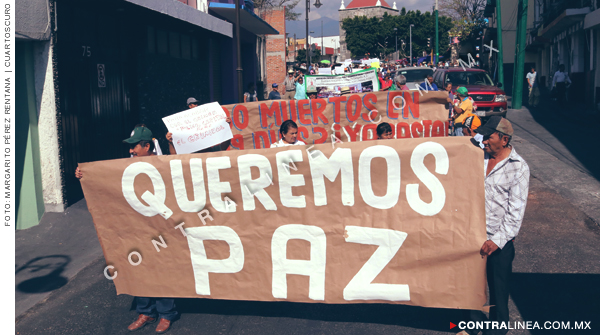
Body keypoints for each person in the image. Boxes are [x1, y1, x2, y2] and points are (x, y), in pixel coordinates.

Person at [75, 126, 178, 334]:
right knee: (139, 268)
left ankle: (166, 313)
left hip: (159, 228)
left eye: (134, 147)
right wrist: (84, 175)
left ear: (147, 146)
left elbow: (179, 166)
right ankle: (146, 311)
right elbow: (104, 179)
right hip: (136, 228)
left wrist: (172, 143)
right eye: (130, 148)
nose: (131, 151)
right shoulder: (125, 166)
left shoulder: (162, 163)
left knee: (161, 269)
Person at [460, 116, 530, 335]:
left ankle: (497, 330)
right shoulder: (478, 157)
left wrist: (497, 241)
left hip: (499, 241)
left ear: (504, 139)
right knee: (471, 286)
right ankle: (473, 325)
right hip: (473, 234)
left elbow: (515, 213)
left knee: (498, 289)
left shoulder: (518, 168)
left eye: (489, 137)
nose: (485, 141)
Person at [166, 98, 232, 155]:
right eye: (194, 104)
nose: (196, 105)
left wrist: (226, 127)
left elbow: (224, 146)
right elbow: (174, 156)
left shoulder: (212, 151)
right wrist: (170, 142)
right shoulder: (189, 155)